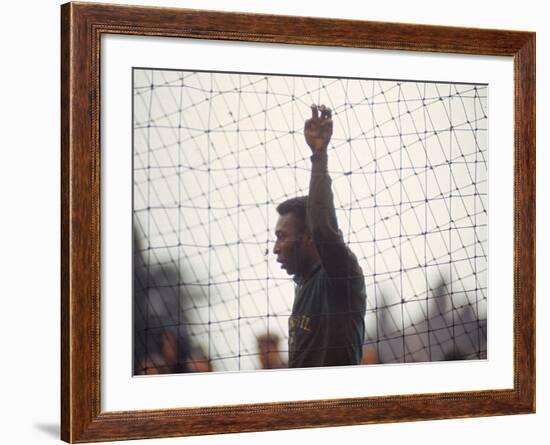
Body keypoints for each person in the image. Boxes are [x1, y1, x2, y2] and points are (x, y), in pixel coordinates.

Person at [273, 104, 367, 368]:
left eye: (281, 237)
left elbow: (323, 229)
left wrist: (319, 155)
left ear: (308, 238)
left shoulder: (340, 278)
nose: (275, 248)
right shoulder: (304, 283)